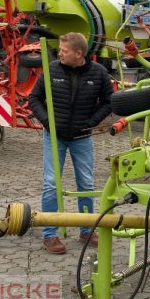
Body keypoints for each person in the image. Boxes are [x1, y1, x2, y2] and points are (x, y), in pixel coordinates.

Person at [28, 32, 113, 254]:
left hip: (82, 139)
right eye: (60, 50)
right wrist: (47, 121)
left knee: (85, 183)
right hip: (54, 137)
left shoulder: (99, 73)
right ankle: (50, 235)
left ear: (79, 53)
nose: (60, 54)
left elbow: (108, 102)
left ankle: (86, 229)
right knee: (51, 184)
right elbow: (34, 98)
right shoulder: (53, 70)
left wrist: (91, 122)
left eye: (64, 51)